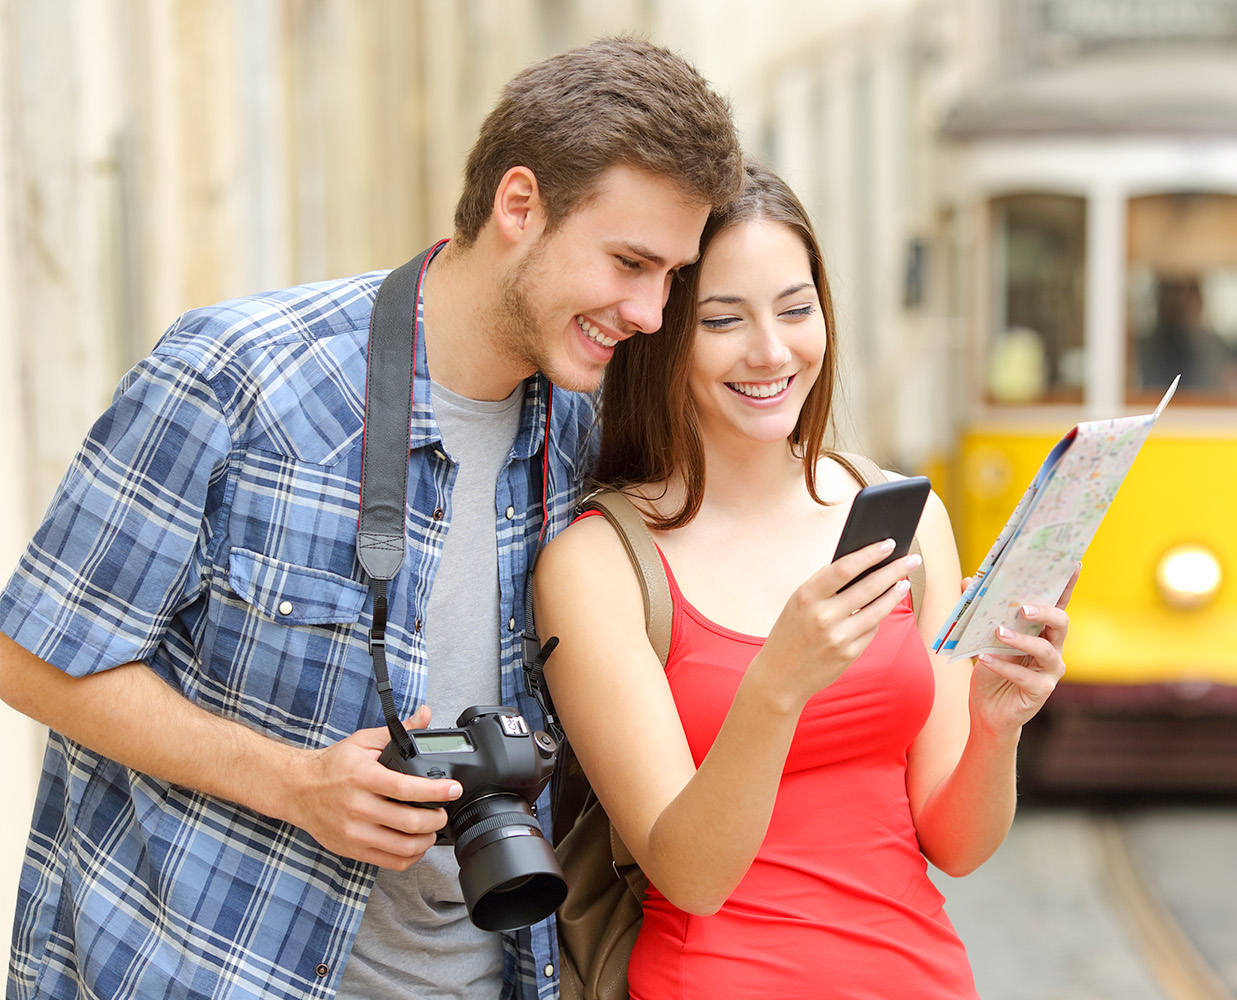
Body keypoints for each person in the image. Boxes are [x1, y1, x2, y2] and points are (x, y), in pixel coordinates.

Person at [0, 36, 741, 1000]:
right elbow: (30, 656)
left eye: (672, 277)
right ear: (519, 206)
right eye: (629, 261)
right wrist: (291, 784)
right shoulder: (240, 377)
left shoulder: (587, 441)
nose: (650, 311)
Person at [532, 162, 1078, 999]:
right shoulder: (600, 562)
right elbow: (691, 874)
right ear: (665, 336)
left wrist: (997, 724)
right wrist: (776, 686)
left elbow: (955, 844)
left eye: (796, 309)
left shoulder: (906, 521)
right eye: (724, 320)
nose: (772, 350)